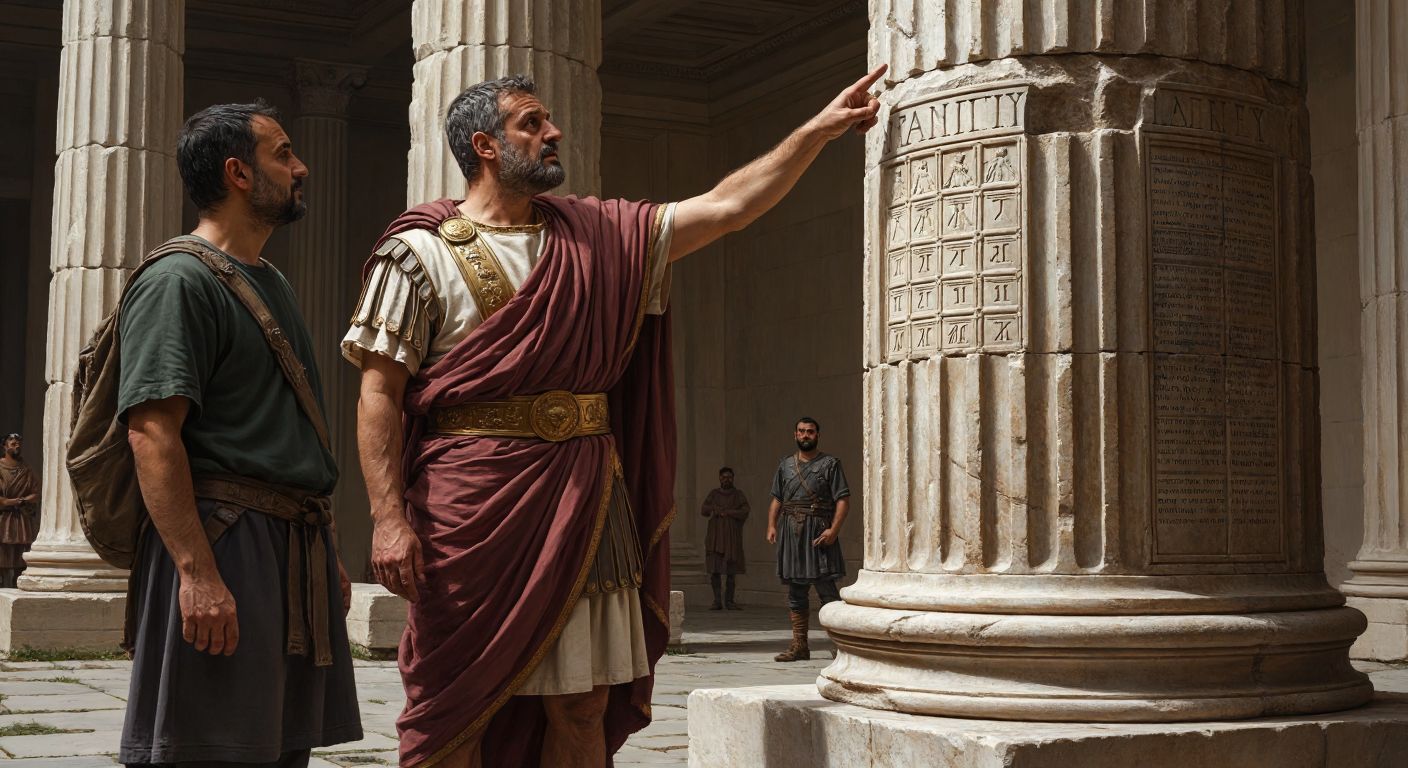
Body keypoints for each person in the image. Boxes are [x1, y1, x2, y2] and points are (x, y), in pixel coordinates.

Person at [346, 65, 885, 768]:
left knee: (583, 704)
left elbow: (727, 207)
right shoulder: (416, 253)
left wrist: (815, 131)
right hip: (468, 507)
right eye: (532, 123)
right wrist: (387, 519)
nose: (553, 132)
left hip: (586, 499)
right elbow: (379, 393)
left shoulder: (599, 237)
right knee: (461, 708)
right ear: (484, 145)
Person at [118, 101, 361, 767]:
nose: (301, 167)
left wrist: (327, 551)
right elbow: (152, 433)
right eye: (283, 154)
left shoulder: (271, 282)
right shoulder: (178, 281)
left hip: (291, 547)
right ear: (239, 173)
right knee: (211, 749)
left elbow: (285, 432)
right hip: (226, 542)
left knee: (279, 752)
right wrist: (197, 573)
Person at [765, 417, 851, 662]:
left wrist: (834, 530)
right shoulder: (785, 465)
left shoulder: (830, 464)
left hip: (818, 532)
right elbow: (777, 499)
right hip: (792, 533)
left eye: (810, 432)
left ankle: (842, 646)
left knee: (827, 590)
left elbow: (843, 499)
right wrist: (771, 525)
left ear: (817, 435)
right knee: (796, 590)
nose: (805, 435)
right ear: (795, 435)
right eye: (801, 431)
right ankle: (799, 646)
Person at [701, 466, 749, 610]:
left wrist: (729, 513)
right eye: (723, 477)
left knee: (731, 572)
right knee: (715, 570)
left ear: (733, 479)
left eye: (729, 477)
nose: (726, 480)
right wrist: (714, 510)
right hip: (715, 537)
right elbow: (704, 510)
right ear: (719, 478)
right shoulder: (714, 494)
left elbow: (745, 511)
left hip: (731, 537)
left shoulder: (738, 494)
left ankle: (729, 601)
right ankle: (717, 601)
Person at [0, 433, 38, 588]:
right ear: (4, 446)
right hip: (3, 519)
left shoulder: (26, 469)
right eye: (13, 442)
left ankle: (16, 585)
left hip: (21, 520)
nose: (17, 445)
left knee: (20, 557)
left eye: (19, 443)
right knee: (3, 555)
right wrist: (11, 501)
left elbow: (35, 493)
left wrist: (20, 501)